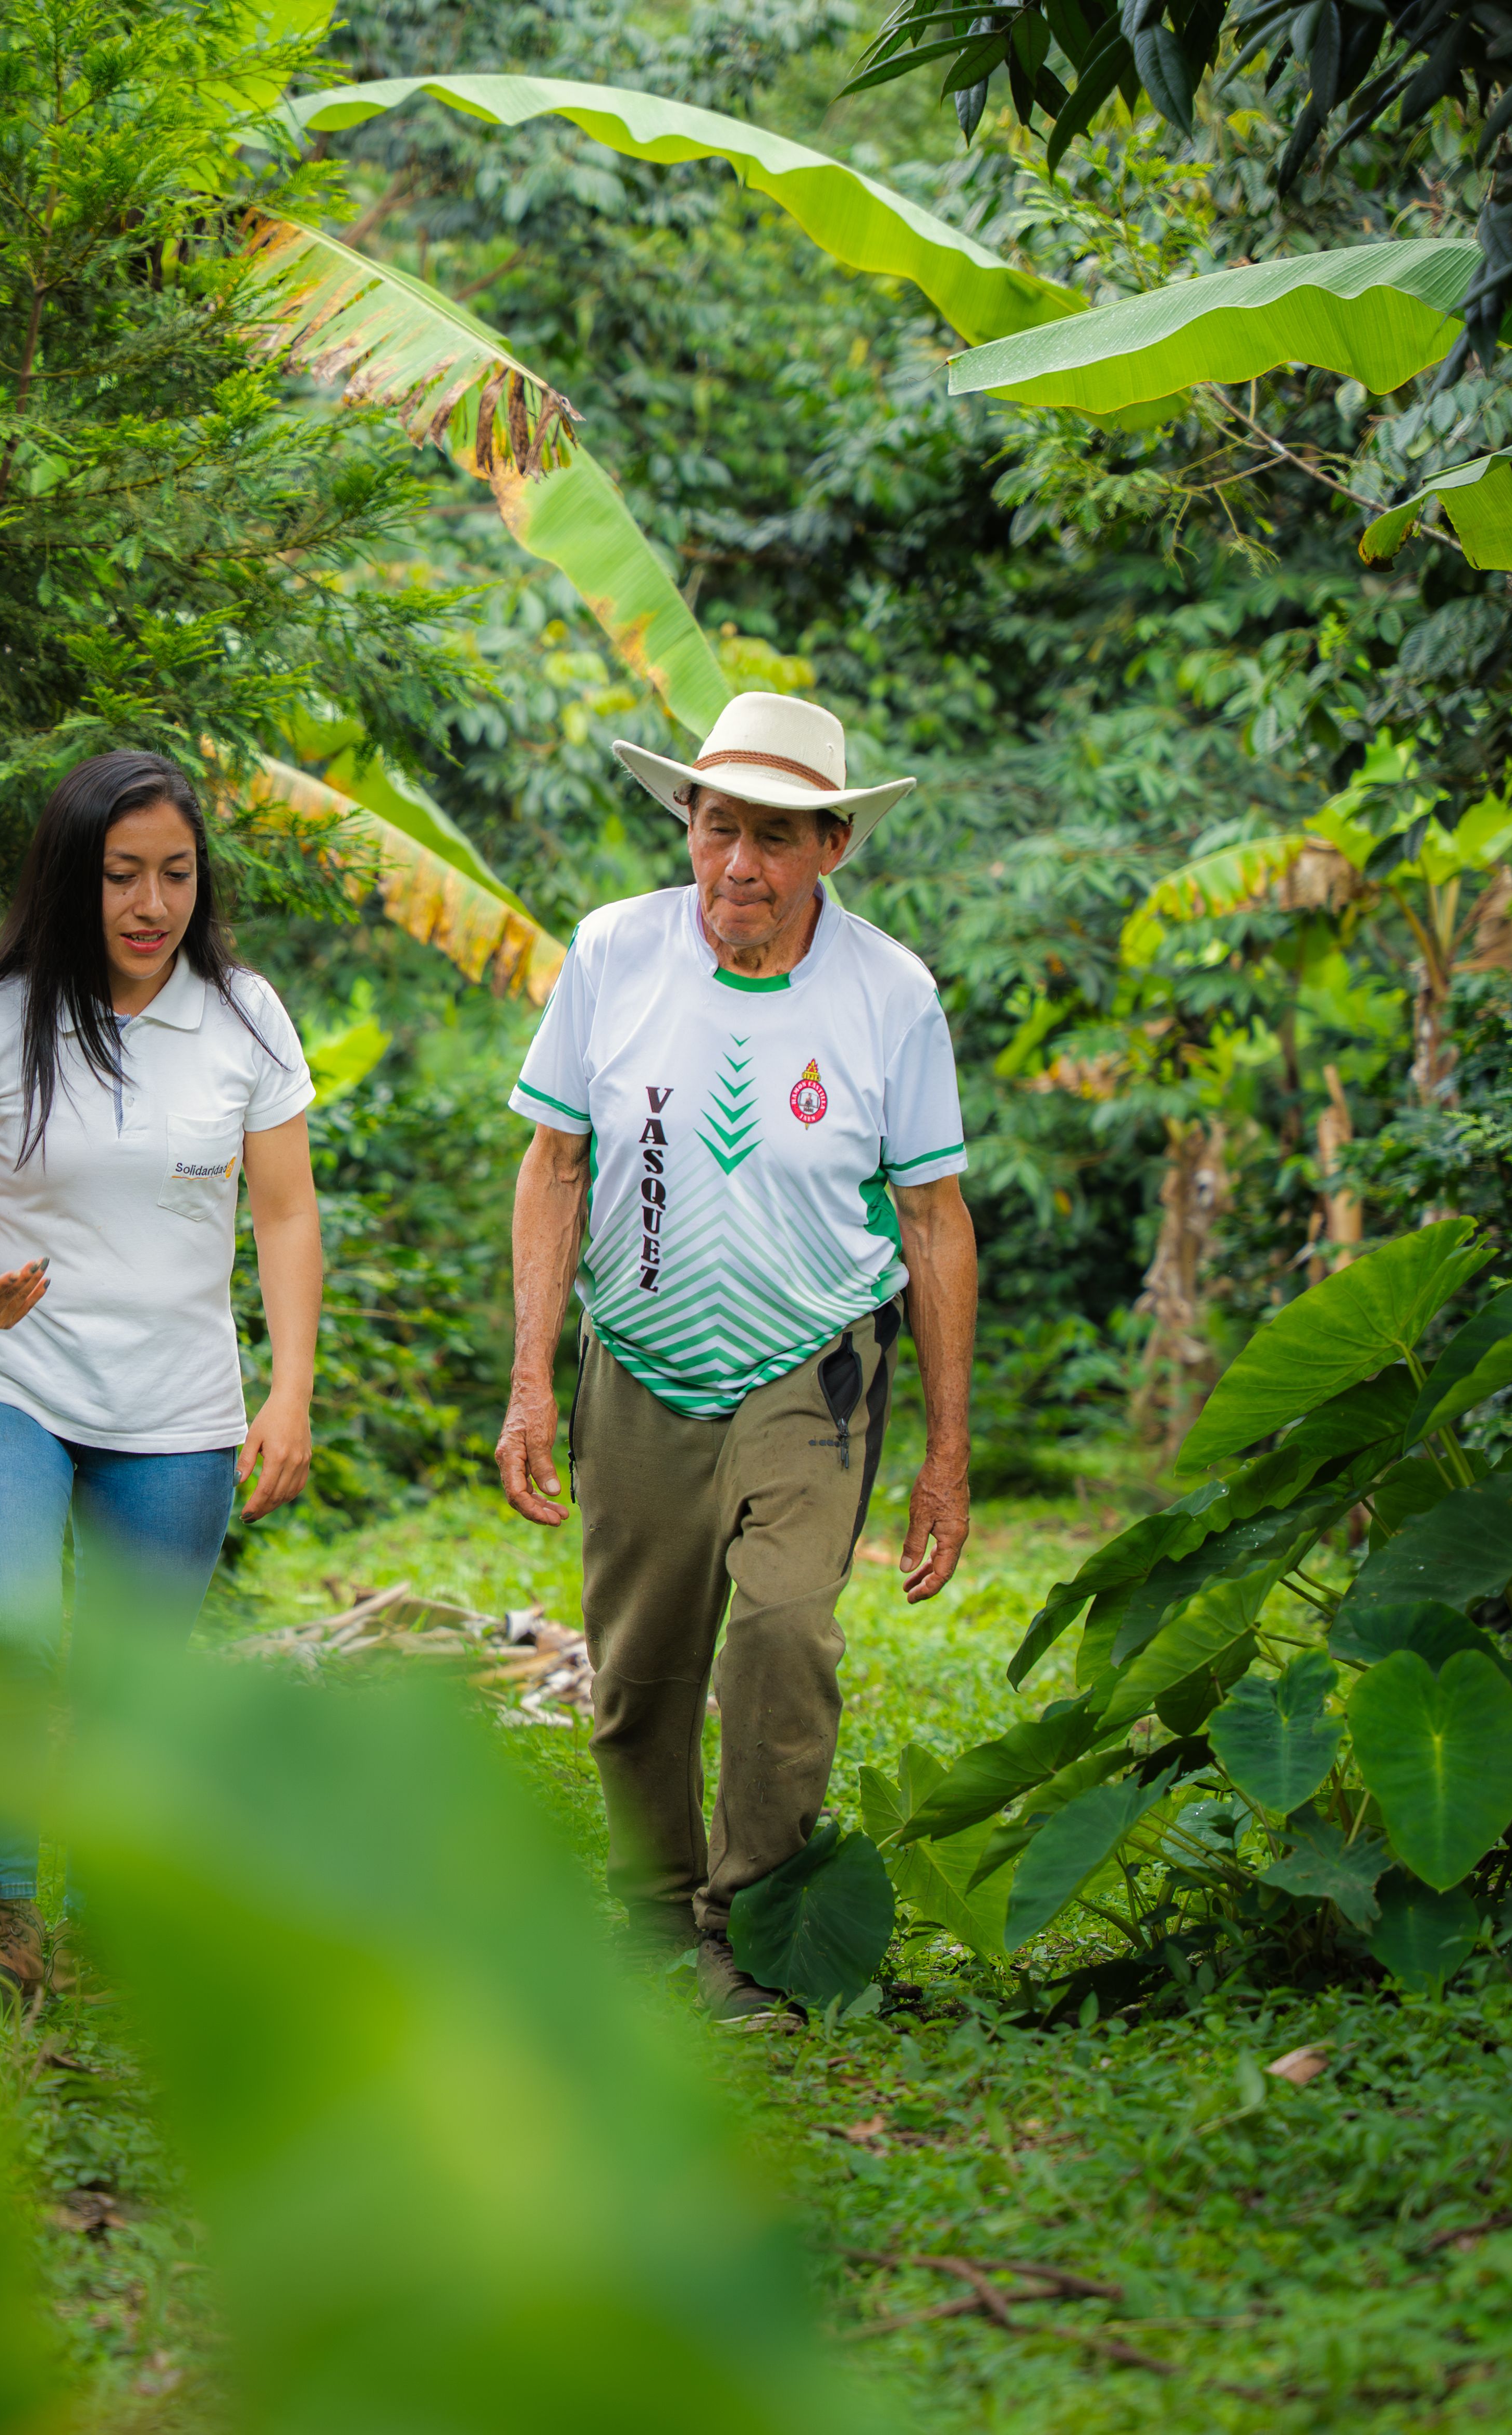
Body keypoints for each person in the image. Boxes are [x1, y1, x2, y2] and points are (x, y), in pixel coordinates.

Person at [495, 690, 977, 2020]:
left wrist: (948, 1451)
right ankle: (652, 1915)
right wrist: (533, 1376)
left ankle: (749, 1919)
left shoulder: (890, 992)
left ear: (833, 846)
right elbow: (554, 1161)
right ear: (688, 824)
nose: (740, 867)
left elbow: (935, 1220)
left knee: (782, 1627)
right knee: (639, 1664)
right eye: (719, 829)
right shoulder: (613, 952)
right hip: (639, 1357)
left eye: (776, 836)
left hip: (814, 1354)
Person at [0, 747, 323, 2007]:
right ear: (68, 880)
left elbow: (287, 1217)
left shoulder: (245, 1020)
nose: (150, 903)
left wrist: (288, 1389)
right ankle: (4, 1917)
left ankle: (98, 1921)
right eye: (122, 874)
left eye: (175, 874)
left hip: (177, 1404)